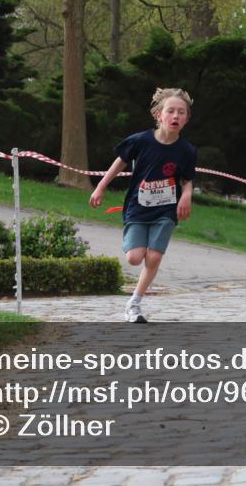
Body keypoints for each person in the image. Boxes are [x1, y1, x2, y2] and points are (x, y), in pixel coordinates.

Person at [90, 88, 196, 323]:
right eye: (171, 111)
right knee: (135, 258)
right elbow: (120, 162)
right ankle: (135, 260)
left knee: (154, 257)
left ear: (187, 119)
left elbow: (187, 179)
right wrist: (101, 186)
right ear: (159, 115)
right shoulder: (141, 140)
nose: (175, 116)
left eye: (181, 112)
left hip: (167, 209)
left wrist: (186, 195)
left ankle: (134, 303)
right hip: (138, 207)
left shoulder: (187, 151)